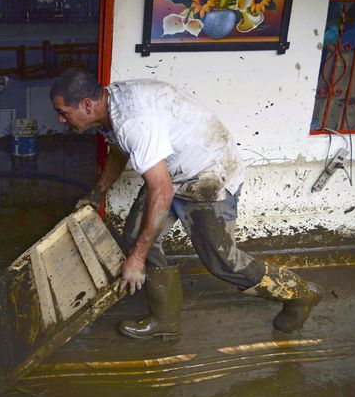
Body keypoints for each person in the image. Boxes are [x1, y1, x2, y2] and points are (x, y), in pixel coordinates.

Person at [49, 68, 323, 338]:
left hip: (208, 174)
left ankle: (299, 293)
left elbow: (162, 190)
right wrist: (97, 192)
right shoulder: (111, 108)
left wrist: (137, 259)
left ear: (86, 105)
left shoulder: (134, 122)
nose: (61, 119)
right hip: (174, 173)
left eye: (63, 112)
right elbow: (119, 152)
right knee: (136, 236)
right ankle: (164, 318)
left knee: (222, 262)